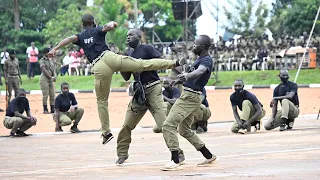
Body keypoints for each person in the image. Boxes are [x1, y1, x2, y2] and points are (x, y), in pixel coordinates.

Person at [48, 14, 185, 145]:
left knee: (101, 101)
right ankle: (174, 63)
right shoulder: (96, 29)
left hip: (98, 67)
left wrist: (55, 49)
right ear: (93, 22)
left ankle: (106, 132)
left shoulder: (81, 36)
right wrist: (112, 24)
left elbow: (69, 39)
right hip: (109, 57)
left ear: (83, 25)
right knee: (141, 64)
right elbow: (107, 26)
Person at [116, 29, 185, 165]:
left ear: (139, 37)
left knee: (163, 124)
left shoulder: (147, 48)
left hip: (153, 88)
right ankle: (122, 154)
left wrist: (143, 65)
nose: (128, 37)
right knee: (127, 125)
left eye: (131, 35)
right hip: (139, 93)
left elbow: (160, 62)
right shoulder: (128, 54)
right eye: (127, 35)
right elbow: (126, 76)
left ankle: (178, 153)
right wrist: (121, 63)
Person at [161, 35, 218, 171]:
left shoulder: (206, 60)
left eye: (196, 44)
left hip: (189, 97)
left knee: (168, 125)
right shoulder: (199, 59)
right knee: (184, 130)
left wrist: (187, 75)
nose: (193, 46)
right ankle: (208, 155)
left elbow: (201, 71)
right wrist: (179, 80)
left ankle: (176, 160)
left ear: (203, 47)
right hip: (191, 95)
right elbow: (193, 76)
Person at [39, 47, 56, 114]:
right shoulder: (42, 60)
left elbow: (53, 69)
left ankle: (52, 109)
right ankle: (45, 109)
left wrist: (54, 76)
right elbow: (43, 69)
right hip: (44, 78)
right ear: (45, 53)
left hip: (51, 78)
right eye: (49, 52)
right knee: (45, 94)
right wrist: (50, 77)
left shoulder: (50, 60)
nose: (50, 53)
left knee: (52, 94)